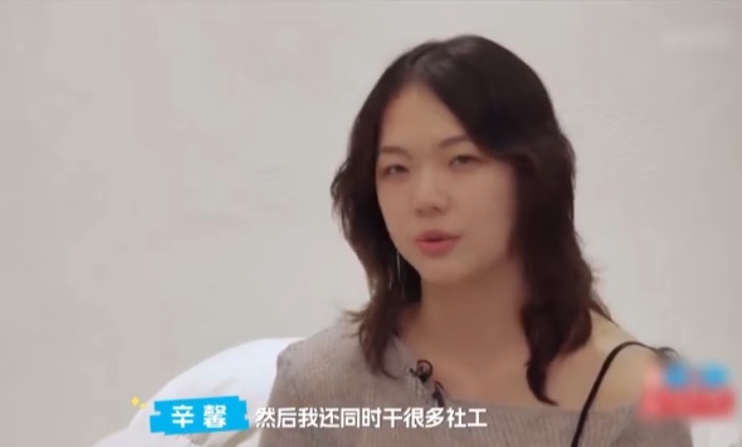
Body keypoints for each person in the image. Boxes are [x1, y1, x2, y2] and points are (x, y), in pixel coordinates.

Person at [257, 34, 692, 446]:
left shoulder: (636, 394)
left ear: (533, 175)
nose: (425, 199)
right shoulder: (316, 385)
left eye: (461, 160)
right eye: (396, 169)